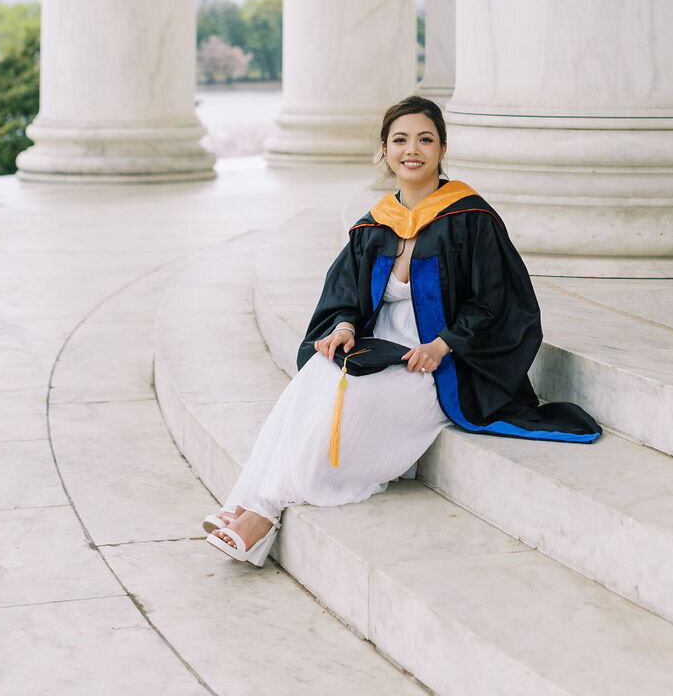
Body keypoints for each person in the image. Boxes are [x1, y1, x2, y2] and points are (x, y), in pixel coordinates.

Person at [206, 95, 600, 565]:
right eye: (400, 139)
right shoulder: (375, 224)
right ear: (385, 149)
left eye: (425, 139)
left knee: (358, 399)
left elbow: (501, 302)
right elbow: (345, 296)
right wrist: (345, 325)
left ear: (442, 148)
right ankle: (245, 505)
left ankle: (260, 511)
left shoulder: (470, 219)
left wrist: (444, 343)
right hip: (381, 352)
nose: (412, 149)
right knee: (314, 379)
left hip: (445, 367)